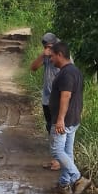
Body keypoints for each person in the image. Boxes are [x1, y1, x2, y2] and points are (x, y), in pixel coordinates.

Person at [50, 40, 91, 194]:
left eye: (52, 56)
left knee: (57, 151)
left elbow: (66, 96)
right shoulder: (75, 71)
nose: (51, 59)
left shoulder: (66, 74)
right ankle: (64, 184)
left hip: (64, 121)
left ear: (60, 55)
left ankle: (78, 179)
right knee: (67, 152)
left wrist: (60, 119)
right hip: (73, 119)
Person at [28, 32, 61, 171]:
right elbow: (33, 67)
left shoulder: (62, 55)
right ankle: (55, 159)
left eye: (49, 46)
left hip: (58, 99)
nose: (48, 49)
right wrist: (43, 55)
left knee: (56, 129)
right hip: (47, 98)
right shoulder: (47, 56)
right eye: (45, 47)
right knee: (50, 128)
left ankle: (58, 161)